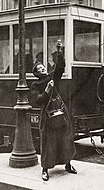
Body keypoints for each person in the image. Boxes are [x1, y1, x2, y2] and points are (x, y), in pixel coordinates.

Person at [31, 48, 77, 181]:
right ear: (36, 73)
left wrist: (59, 53)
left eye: (43, 66)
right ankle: (45, 169)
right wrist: (47, 90)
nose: (43, 68)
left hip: (61, 110)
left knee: (66, 138)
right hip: (48, 114)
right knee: (48, 141)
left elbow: (60, 68)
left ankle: (68, 164)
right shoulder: (35, 84)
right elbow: (37, 101)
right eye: (39, 68)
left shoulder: (52, 76)